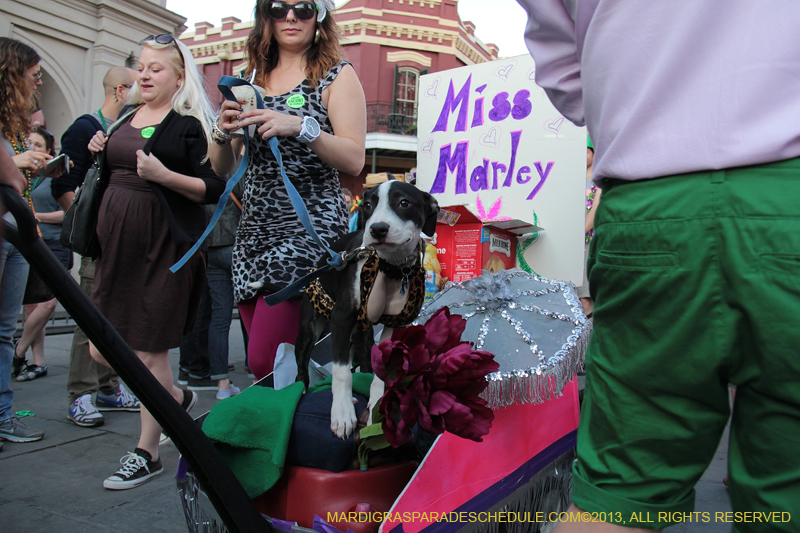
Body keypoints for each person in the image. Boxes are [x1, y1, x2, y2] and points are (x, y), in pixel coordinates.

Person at [519, 2, 800, 532]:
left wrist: (644, 104)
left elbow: (562, 71)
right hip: (787, 196)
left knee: (617, 497)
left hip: (652, 204)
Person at [87, 34, 224, 490]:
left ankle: (147, 451)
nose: (144, 74)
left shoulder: (186, 125)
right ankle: (176, 399)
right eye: (141, 66)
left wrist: (165, 176)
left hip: (163, 249)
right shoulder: (126, 116)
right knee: (98, 347)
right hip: (117, 249)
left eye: (156, 68)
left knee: (148, 352)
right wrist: (98, 149)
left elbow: (214, 188)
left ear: (179, 77)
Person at [209, 0, 366, 380]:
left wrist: (302, 127)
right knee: (268, 367)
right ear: (266, 16)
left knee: (268, 358)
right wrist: (221, 130)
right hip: (253, 233)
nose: (291, 17)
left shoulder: (335, 75)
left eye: (303, 8)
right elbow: (222, 168)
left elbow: (354, 158)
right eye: (278, 8)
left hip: (309, 231)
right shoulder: (248, 79)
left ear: (319, 16)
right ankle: (295, 430)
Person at [54, 66, 140, 428]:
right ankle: (81, 393)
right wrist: (89, 226)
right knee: (89, 315)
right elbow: (65, 185)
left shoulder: (129, 128)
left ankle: (108, 387)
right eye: (139, 85)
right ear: (120, 91)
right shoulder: (84, 127)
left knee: (116, 316)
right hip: (99, 238)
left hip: (124, 237)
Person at [0, 37, 49, 446]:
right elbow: (11, 178)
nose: (37, 85)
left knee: (3, 329)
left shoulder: (14, 125)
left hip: (17, 231)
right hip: (5, 229)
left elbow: (17, 182)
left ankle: (2, 413)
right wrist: (15, 167)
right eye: (33, 78)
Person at [12, 126, 70, 382]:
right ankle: (38, 361)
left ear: (48, 151)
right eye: (29, 144)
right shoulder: (22, 172)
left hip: (54, 243)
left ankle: (18, 350)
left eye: (37, 145)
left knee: (48, 304)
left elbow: (67, 211)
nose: (32, 148)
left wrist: (36, 216)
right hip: (29, 241)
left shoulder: (54, 175)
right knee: (31, 306)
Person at [179, 180, 244, 400]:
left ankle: (222, 383)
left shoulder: (205, 172)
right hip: (237, 243)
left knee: (219, 318)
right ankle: (257, 374)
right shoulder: (236, 168)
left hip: (211, 245)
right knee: (248, 311)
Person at [576, 138, 599, 318]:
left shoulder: (598, 181)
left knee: (585, 297)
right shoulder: (571, 181)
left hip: (588, 240)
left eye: (586, 151)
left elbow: (595, 212)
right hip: (572, 241)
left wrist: (578, 233)